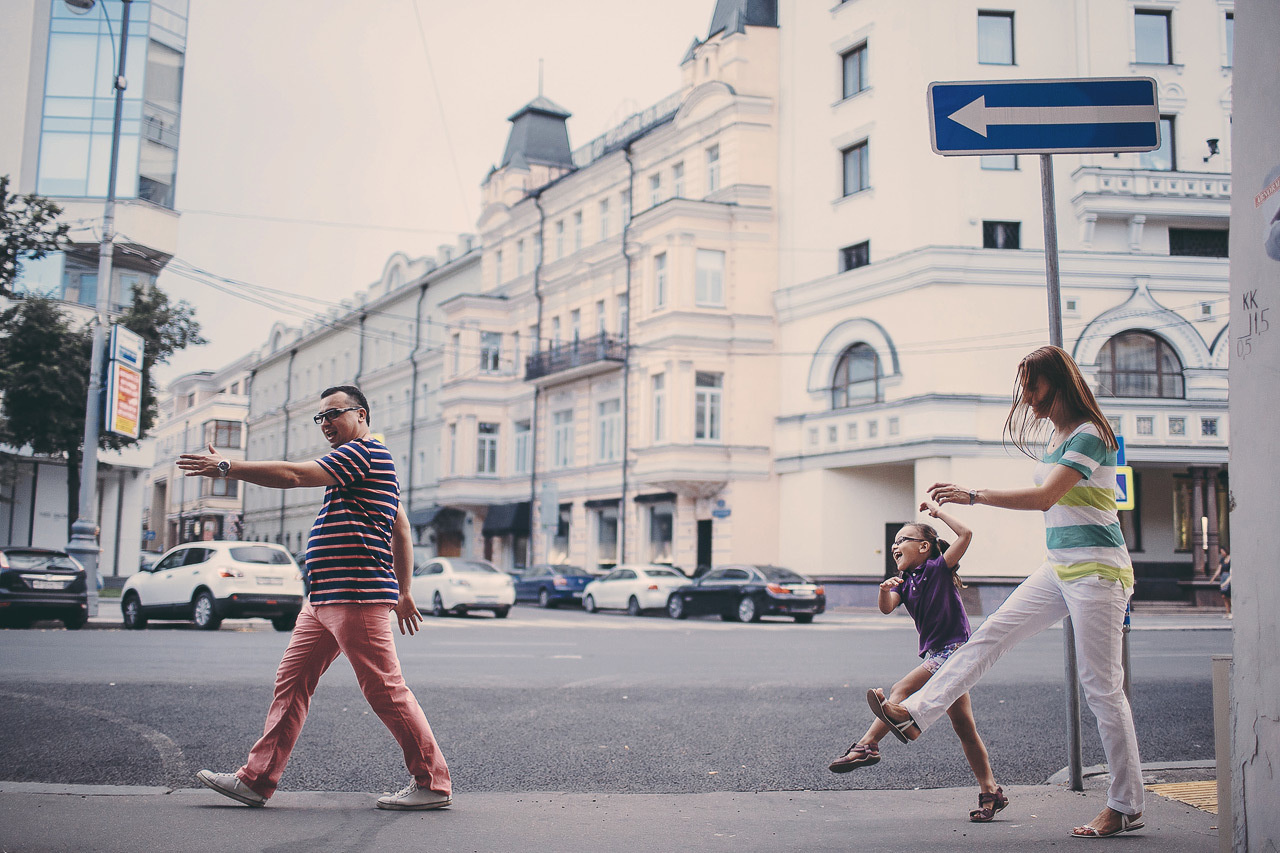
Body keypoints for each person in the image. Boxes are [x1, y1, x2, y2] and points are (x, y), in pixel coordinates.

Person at [864, 346, 1145, 839]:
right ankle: (914, 715)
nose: (1028, 399)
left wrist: (974, 495)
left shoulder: (1092, 434)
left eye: (1033, 388)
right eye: (1025, 390)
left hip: (1098, 574)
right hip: (1060, 568)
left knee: (1102, 689)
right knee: (989, 636)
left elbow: (1044, 498)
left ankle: (1124, 804)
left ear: (1059, 383)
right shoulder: (1060, 437)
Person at [177, 385, 452, 811]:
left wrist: (227, 466)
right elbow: (401, 527)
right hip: (323, 597)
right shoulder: (355, 466)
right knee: (291, 683)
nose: (325, 423)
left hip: (355, 593)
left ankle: (432, 783)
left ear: (361, 415)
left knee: (385, 690)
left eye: (334, 414)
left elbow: (293, 475)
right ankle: (256, 780)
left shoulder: (366, 453)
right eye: (320, 418)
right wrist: (405, 590)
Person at [829, 499, 1008, 823]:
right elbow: (886, 607)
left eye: (903, 540)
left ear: (924, 547)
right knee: (964, 728)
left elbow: (966, 534)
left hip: (954, 651)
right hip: (937, 654)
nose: (895, 545)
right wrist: (885, 589)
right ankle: (990, 791)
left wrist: (938, 513)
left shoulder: (938, 569)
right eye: (894, 542)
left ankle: (867, 745)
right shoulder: (906, 583)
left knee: (901, 687)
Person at [1208, 545, 1231, 617]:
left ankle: (1232, 610)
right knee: (1224, 596)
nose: (1222, 553)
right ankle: (1228, 611)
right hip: (1223, 577)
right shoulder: (1222, 560)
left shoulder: (1231, 559)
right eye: (1221, 552)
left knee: (1229, 595)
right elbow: (1219, 569)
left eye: (1222, 552)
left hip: (1229, 577)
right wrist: (1213, 578)